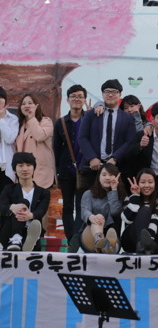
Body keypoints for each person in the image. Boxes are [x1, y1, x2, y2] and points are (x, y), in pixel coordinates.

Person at [78, 79, 136, 188]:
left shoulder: (127, 118)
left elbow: (130, 141)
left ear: (120, 94)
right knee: (89, 197)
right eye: (107, 92)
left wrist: (115, 158)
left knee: (115, 197)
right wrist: (92, 157)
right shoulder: (91, 114)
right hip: (92, 167)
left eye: (114, 92)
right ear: (102, 94)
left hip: (117, 168)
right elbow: (82, 137)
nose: (110, 95)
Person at [53, 84, 87, 244]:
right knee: (67, 207)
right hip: (66, 171)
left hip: (85, 171)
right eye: (73, 96)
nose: (77, 99)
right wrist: (57, 171)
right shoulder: (60, 122)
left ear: (84, 100)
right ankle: (71, 238)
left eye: (80, 96)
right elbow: (57, 149)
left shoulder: (89, 119)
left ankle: (77, 239)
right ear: (67, 100)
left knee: (81, 207)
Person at [0, 152, 49, 251]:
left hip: (32, 230)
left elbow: (41, 211)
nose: (25, 169)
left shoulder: (43, 193)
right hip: (9, 232)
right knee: (22, 203)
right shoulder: (8, 189)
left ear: (34, 168)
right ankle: (16, 237)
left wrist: (29, 215)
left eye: (28, 165)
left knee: (24, 205)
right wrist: (12, 207)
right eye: (20, 166)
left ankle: (24, 240)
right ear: (14, 169)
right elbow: (2, 206)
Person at [128, 103, 158, 194]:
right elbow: (128, 155)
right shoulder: (143, 135)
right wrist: (140, 146)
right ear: (152, 119)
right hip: (145, 179)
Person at [79, 163, 126, 253]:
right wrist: (91, 217)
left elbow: (115, 212)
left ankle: (106, 247)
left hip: (111, 235)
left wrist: (114, 190)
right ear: (98, 177)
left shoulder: (120, 196)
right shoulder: (88, 194)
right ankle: (99, 240)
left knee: (111, 241)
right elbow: (85, 210)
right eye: (104, 175)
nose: (107, 178)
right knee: (99, 217)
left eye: (111, 175)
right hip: (90, 234)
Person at [120, 169, 158, 255]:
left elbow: (156, 221)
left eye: (150, 182)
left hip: (153, 236)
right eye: (143, 182)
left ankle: (143, 247)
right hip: (131, 238)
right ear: (138, 183)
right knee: (145, 210)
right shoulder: (130, 199)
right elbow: (127, 219)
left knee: (156, 245)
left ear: (155, 184)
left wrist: (147, 241)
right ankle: (142, 246)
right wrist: (135, 196)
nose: (147, 185)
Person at [16, 93, 56, 189]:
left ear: (36, 106)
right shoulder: (19, 124)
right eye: (23, 104)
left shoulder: (46, 121)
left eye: (30, 103)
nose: (27, 106)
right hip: (24, 171)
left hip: (41, 171)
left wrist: (32, 118)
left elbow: (39, 136)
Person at [0, 86, 18, 188]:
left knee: (5, 196)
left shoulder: (12, 119)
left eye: (1, 97)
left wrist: (1, 119)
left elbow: (10, 139)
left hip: (6, 168)